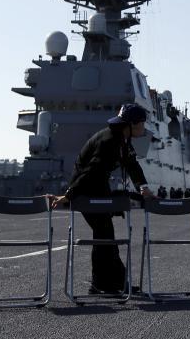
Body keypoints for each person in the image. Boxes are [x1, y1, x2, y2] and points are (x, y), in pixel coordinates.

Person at [49, 103, 154, 294]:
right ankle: (107, 283)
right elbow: (91, 171)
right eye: (141, 124)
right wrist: (69, 195)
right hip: (87, 191)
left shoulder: (120, 138)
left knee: (105, 235)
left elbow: (131, 164)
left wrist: (144, 187)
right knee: (104, 236)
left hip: (96, 190)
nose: (144, 128)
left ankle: (108, 283)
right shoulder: (109, 142)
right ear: (130, 124)